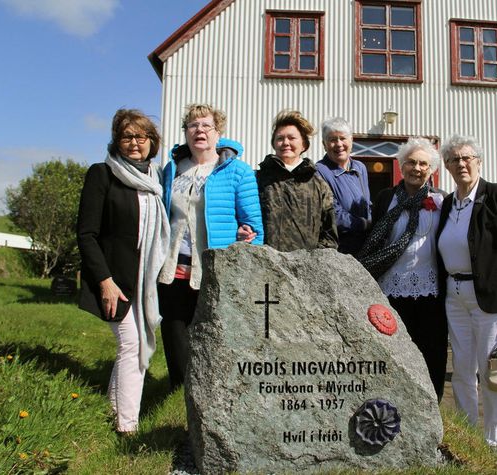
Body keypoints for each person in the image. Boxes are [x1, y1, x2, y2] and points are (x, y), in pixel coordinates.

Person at [77, 109, 170, 434]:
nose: (134, 143)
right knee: (132, 344)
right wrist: (105, 281)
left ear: (151, 142)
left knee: (130, 346)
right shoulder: (102, 174)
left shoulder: (154, 181)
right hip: (114, 279)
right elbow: (86, 233)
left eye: (140, 137)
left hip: (143, 280)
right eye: (127, 136)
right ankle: (127, 428)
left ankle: (114, 410)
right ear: (116, 141)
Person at [436, 134, 497, 449]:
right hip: (454, 295)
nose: (461, 164)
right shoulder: (449, 203)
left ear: (478, 160)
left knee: (490, 371)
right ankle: (467, 435)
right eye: (454, 159)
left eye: (467, 157)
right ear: (447, 166)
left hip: (489, 299)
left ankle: (493, 441)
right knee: (462, 369)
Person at [158, 103, 264, 389]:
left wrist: (247, 236)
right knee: (174, 327)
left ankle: (213, 390)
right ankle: (179, 391)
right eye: (193, 125)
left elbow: (254, 225)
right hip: (172, 266)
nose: (199, 131)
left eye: (206, 125)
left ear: (219, 133)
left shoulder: (237, 171)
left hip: (213, 269)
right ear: (186, 132)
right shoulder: (171, 169)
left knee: (213, 331)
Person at [358, 137, 448, 401]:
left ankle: (432, 405)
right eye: (411, 162)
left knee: (431, 352)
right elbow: (375, 238)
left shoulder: (441, 201)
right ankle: (393, 402)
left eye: (423, 164)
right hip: (392, 289)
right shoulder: (387, 198)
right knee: (393, 352)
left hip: (430, 291)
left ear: (431, 169)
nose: (416, 168)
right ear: (401, 165)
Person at [257, 110, 338, 251]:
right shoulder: (258, 179)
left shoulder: (319, 185)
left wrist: (312, 262)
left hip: (305, 269)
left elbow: (329, 235)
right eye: (280, 138)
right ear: (274, 144)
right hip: (265, 266)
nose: (285, 143)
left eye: (291, 138)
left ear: (304, 145)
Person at [315, 117, 371, 255]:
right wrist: (366, 224)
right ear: (324, 144)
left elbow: (367, 204)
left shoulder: (360, 168)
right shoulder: (319, 171)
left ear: (351, 140)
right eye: (332, 140)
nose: (339, 144)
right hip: (339, 250)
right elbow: (331, 213)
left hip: (364, 246)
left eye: (343, 138)